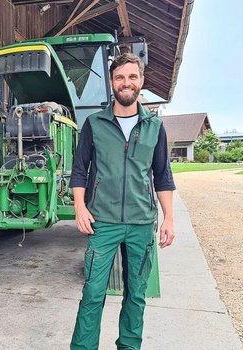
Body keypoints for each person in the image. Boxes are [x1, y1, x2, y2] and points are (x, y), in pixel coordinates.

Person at [69, 52, 176, 350]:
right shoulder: (94, 124)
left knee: (136, 293)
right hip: (102, 223)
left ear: (141, 81)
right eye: (119, 78)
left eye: (132, 77)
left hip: (142, 224)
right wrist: (80, 207)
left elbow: (162, 176)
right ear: (113, 84)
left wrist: (168, 218)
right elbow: (80, 170)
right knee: (92, 292)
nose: (126, 83)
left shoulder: (155, 127)